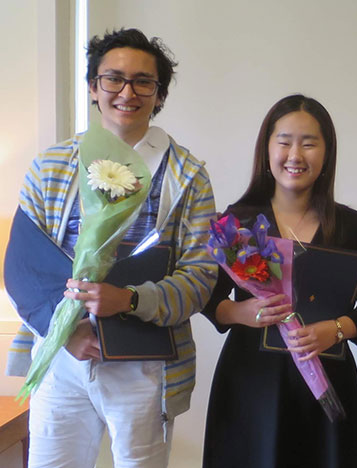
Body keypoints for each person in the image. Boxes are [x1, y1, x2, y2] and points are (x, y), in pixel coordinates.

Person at [6, 28, 218, 467]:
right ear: (93, 86)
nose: (128, 91)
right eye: (113, 78)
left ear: (158, 95)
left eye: (144, 81)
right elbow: (23, 266)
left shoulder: (188, 175)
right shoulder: (52, 164)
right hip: (62, 351)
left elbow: (200, 276)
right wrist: (66, 333)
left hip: (145, 357)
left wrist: (131, 299)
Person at [201, 94, 357, 468]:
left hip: (327, 381)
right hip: (250, 383)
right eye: (284, 141)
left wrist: (336, 329)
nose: (295, 154)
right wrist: (242, 312)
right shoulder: (237, 222)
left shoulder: (352, 226)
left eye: (309, 143)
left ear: (326, 154)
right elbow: (207, 298)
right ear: (267, 149)